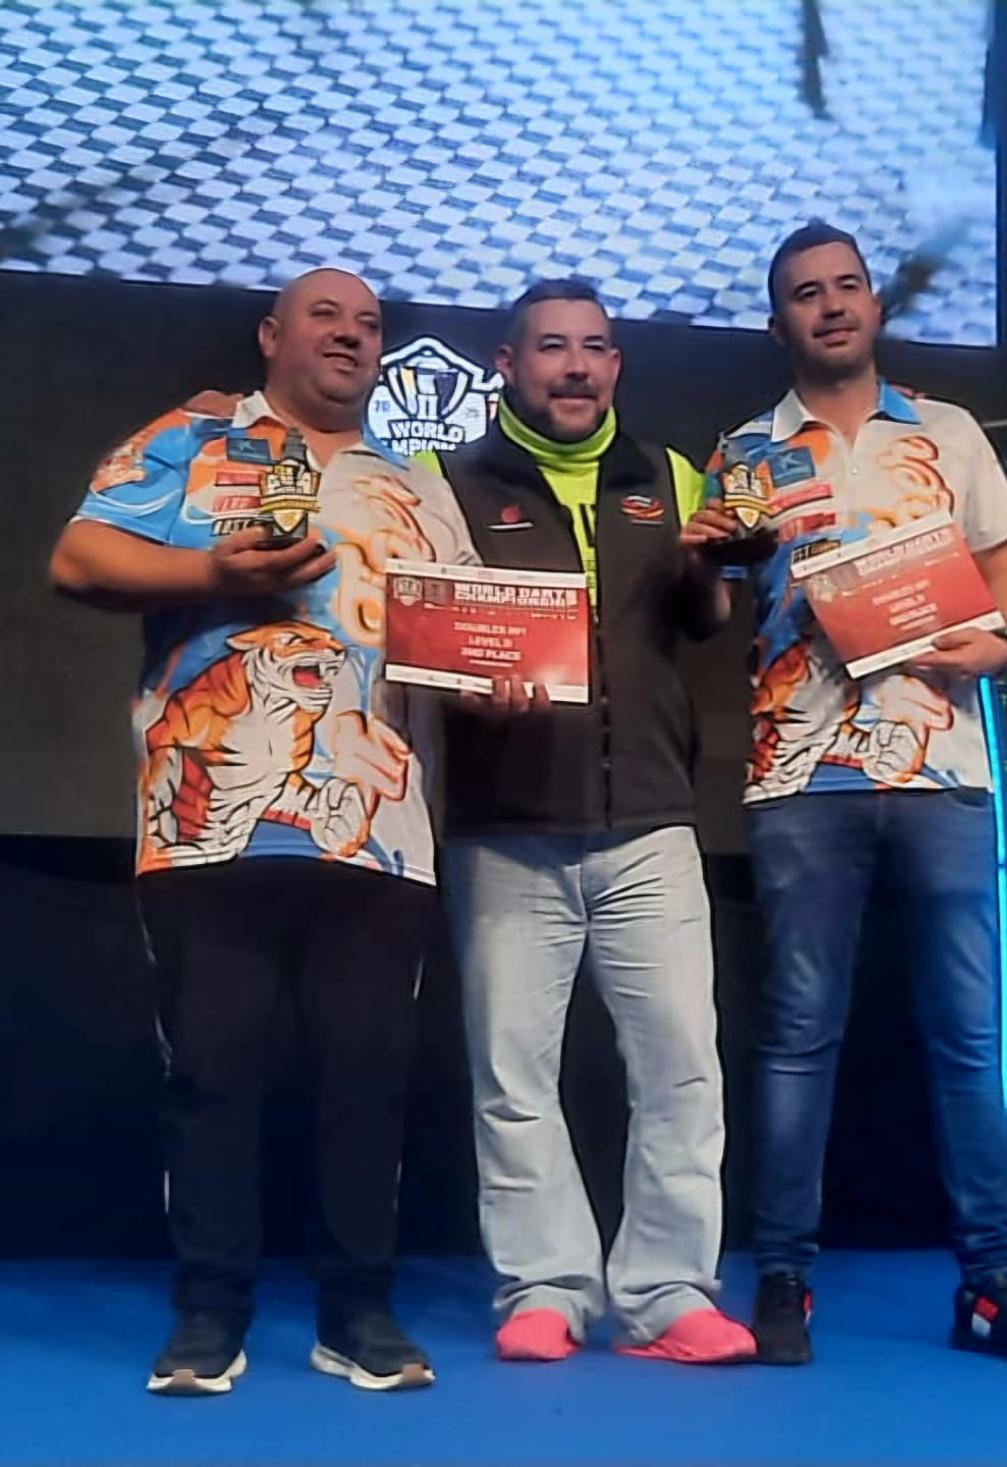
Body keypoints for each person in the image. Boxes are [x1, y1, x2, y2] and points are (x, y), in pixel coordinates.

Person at [50, 268, 478, 1396]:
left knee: (368, 1078)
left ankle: (359, 1310)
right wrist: (206, 572)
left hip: (379, 828)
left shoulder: (418, 485)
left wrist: (504, 679)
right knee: (214, 1075)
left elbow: (467, 635)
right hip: (208, 821)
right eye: (327, 316)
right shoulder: (195, 442)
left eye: (370, 323)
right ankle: (209, 1312)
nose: (351, 335)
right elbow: (79, 559)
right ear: (273, 334)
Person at [690, 222, 1007, 1368]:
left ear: (872, 305)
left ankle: (991, 1281)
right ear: (780, 324)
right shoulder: (748, 450)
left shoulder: (948, 432)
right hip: (801, 772)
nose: (830, 307)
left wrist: (994, 644)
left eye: (846, 287)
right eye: (804, 295)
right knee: (800, 1036)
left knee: (968, 1037)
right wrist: (705, 558)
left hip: (944, 771)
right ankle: (783, 1280)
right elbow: (709, 613)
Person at [427, 278, 756, 1365]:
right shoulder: (443, 483)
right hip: (504, 827)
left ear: (616, 367)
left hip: (653, 826)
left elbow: (704, 621)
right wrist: (465, 682)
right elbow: (418, 636)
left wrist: (709, 568)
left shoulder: (669, 476)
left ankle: (669, 1295)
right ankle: (545, 1288)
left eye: (597, 349)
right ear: (509, 365)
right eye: (553, 348)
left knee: (682, 1068)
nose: (577, 367)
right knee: (514, 1073)